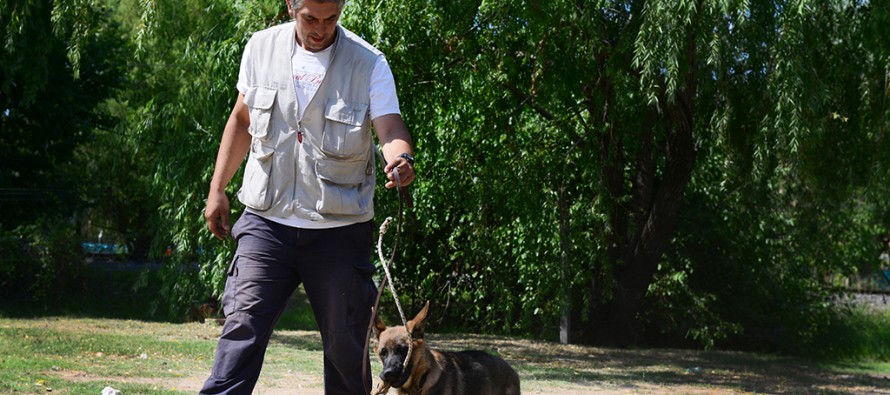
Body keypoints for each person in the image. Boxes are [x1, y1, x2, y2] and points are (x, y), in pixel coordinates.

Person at [200, 0, 415, 393]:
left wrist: (401, 159)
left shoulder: (368, 62)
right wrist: (218, 189)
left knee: (345, 350)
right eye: (310, 19)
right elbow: (242, 120)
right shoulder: (260, 48)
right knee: (241, 331)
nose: (321, 29)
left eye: (332, 18)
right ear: (290, 7)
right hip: (266, 222)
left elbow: (389, 126)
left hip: (340, 231)